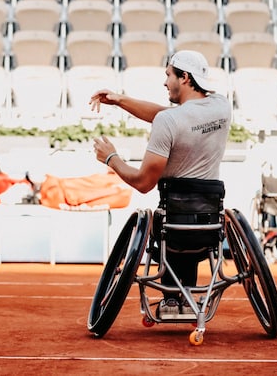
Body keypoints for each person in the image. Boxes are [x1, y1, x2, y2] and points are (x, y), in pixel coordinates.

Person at [89, 50, 231, 319]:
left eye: (168, 75)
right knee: (185, 222)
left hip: (172, 226)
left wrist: (111, 158)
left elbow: (143, 183)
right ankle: (185, 296)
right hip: (211, 223)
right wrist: (120, 100)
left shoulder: (169, 122)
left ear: (185, 77)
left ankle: (171, 297)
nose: (165, 82)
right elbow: (173, 116)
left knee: (163, 222)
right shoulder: (221, 107)